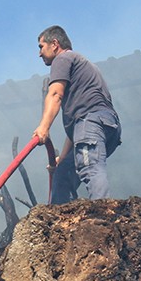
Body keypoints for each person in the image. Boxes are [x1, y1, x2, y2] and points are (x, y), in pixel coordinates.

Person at [31, 25, 121, 204]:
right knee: (63, 173)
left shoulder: (63, 59)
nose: (39, 53)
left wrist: (43, 127)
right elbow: (77, 130)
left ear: (54, 44)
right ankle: (61, 222)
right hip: (103, 126)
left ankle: (103, 214)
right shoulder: (83, 65)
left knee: (90, 167)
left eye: (41, 46)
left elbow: (56, 94)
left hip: (92, 123)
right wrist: (61, 159)